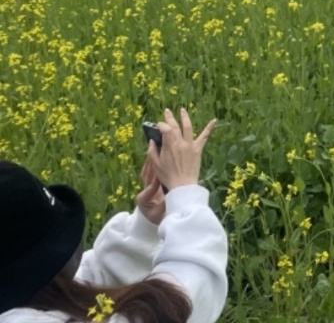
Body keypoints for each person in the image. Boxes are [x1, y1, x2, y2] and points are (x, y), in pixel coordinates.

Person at [0, 108, 226, 323]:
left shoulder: (19, 300)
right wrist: (185, 195)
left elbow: (74, 285)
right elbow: (173, 309)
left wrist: (145, 228)